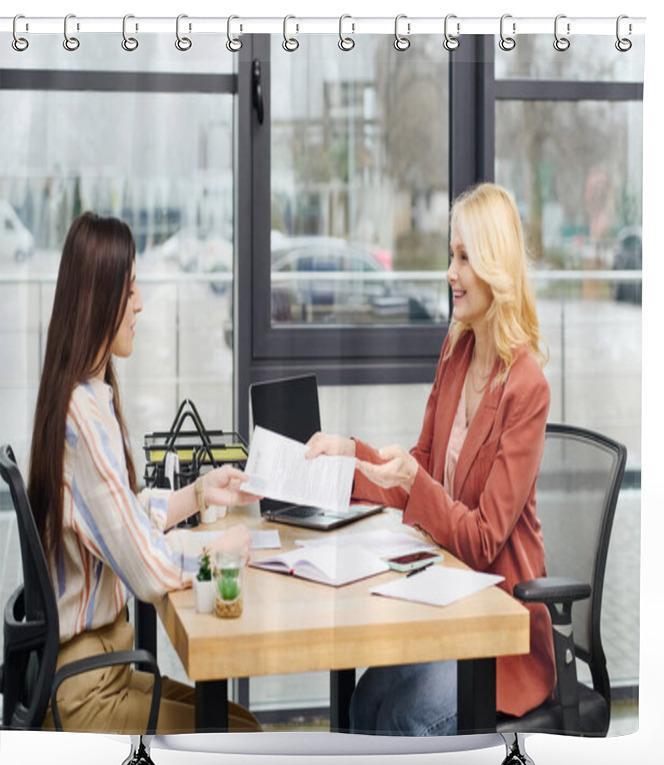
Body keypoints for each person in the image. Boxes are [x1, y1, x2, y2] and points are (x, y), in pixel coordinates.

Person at [306, 183, 556, 735]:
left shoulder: (526, 386)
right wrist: (350, 456)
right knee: (363, 703)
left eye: (464, 257)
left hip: (499, 626)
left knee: (401, 718)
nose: (450, 272)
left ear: (494, 266)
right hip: (445, 600)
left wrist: (414, 480)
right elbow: (417, 466)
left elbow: (486, 537)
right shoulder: (456, 350)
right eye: (451, 255)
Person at [28, 211, 261, 735]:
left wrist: (198, 493)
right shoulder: (82, 422)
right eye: (129, 290)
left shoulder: (80, 398)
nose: (139, 305)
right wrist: (223, 549)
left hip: (99, 668)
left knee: (240, 721)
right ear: (100, 298)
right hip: (88, 691)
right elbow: (150, 572)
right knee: (241, 736)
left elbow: (121, 517)